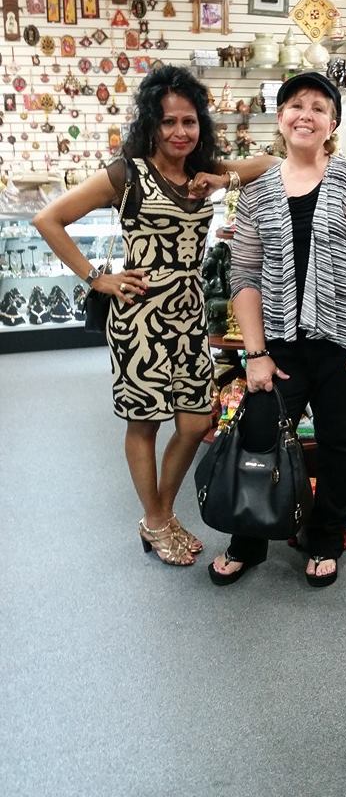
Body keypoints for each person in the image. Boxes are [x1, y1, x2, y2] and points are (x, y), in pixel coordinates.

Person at [33, 65, 276, 567]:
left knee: (196, 420)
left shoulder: (203, 171)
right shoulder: (127, 173)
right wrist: (97, 277)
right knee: (144, 423)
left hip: (190, 315)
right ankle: (158, 518)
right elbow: (48, 219)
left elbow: (272, 163)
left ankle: (158, 514)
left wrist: (224, 178)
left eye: (189, 121)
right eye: (168, 122)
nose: (180, 132)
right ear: (151, 123)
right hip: (139, 319)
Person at [208, 71, 346, 588]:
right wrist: (255, 353)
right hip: (280, 346)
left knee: (341, 445)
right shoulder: (258, 193)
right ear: (280, 117)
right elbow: (244, 275)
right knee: (259, 433)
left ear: (332, 123)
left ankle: (326, 537)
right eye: (297, 105)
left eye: (319, 108)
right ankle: (248, 537)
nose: (307, 115)